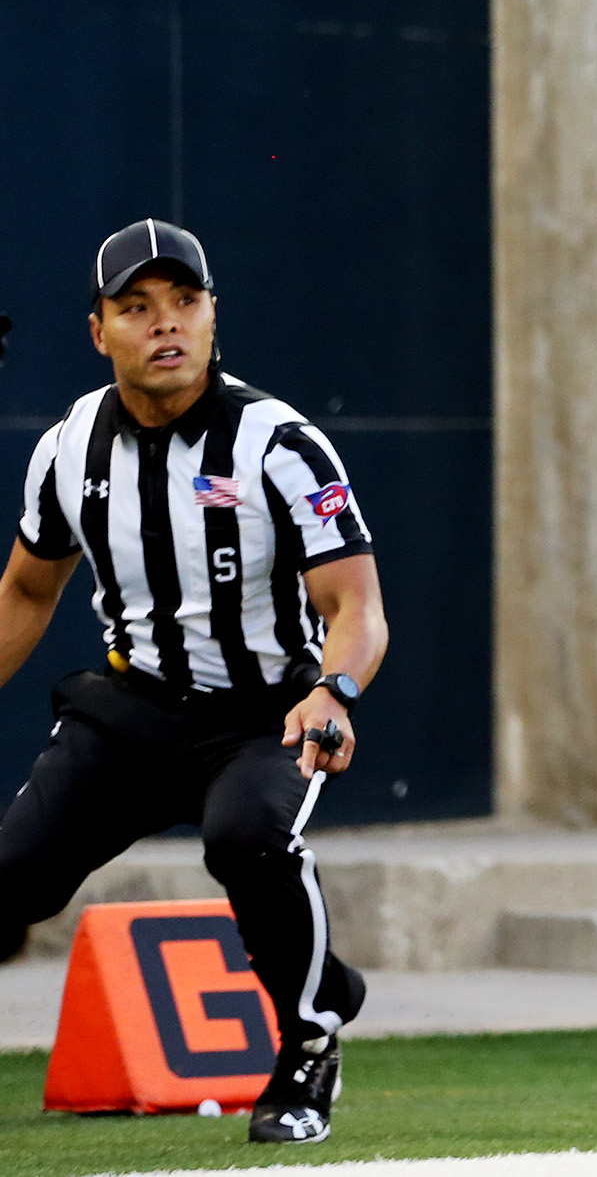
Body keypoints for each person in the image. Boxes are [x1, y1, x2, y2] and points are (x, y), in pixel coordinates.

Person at [0, 221, 384, 1145]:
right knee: (9, 879)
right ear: (100, 331)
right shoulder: (69, 447)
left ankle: (308, 1043)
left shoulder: (277, 443)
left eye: (184, 303)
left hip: (262, 715)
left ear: (213, 317)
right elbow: (25, 588)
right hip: (127, 709)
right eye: (137, 308)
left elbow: (356, 604)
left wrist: (334, 693)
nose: (164, 325)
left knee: (248, 837)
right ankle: (324, 978)